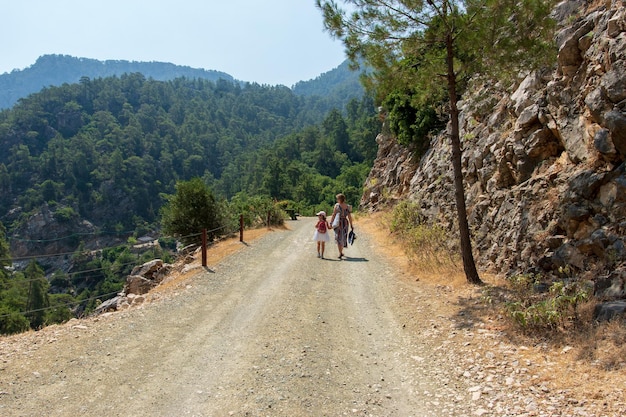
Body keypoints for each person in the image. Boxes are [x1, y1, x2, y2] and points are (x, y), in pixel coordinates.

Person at [329, 193, 354, 259]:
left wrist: (331, 223)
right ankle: (341, 252)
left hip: (338, 223)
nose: (337, 200)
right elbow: (349, 216)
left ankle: (340, 252)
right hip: (345, 223)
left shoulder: (336, 206)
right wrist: (351, 225)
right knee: (343, 237)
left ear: (340, 199)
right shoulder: (347, 206)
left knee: (338, 237)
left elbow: (334, 214)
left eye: (337, 198)